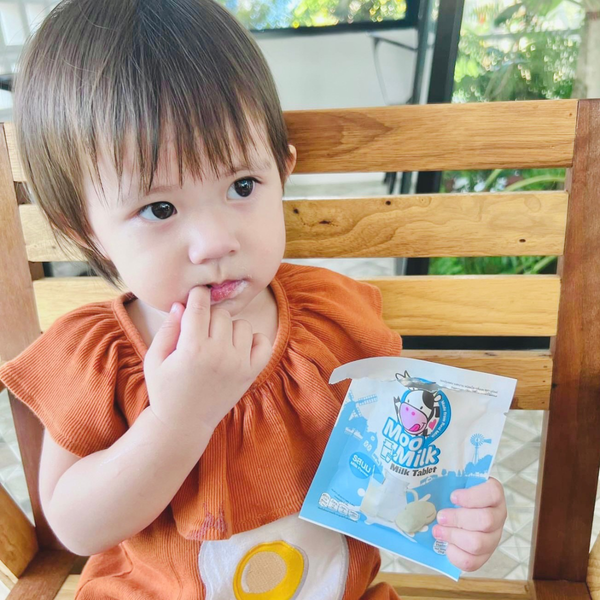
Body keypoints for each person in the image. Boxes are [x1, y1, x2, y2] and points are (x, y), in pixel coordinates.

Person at [0, 0, 507, 598]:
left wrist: (460, 516)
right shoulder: (98, 359)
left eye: (243, 185)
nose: (216, 241)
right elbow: (76, 528)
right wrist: (177, 421)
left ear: (282, 172)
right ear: (85, 229)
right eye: (159, 208)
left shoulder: (330, 318)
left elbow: (401, 463)